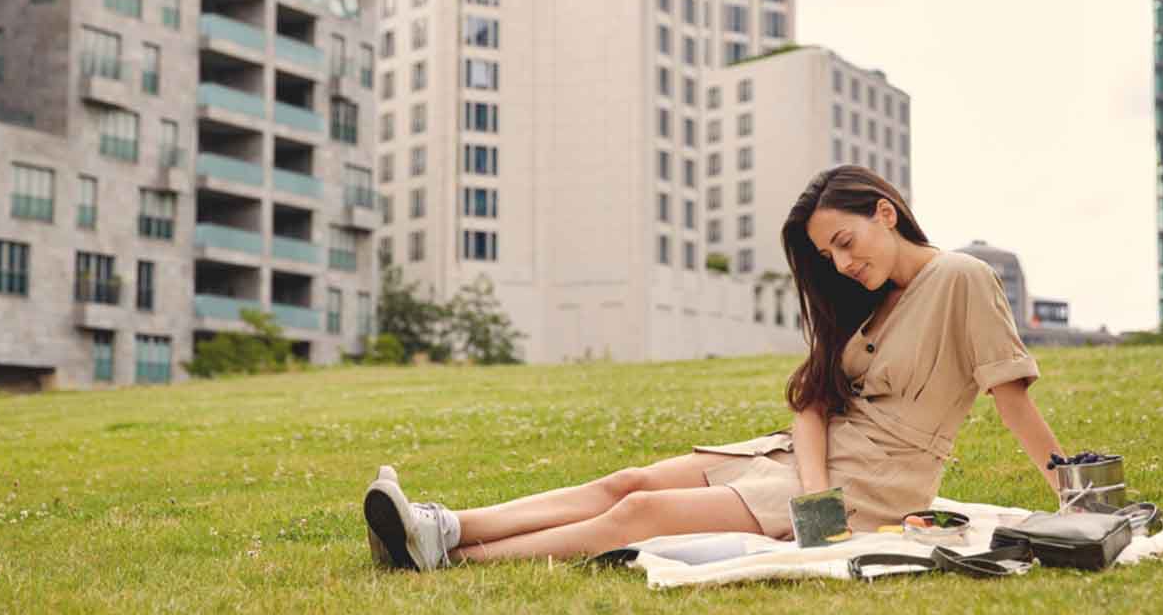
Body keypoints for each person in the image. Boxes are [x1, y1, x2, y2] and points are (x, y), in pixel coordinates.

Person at [363, 166, 1065, 571]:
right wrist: (811, 496)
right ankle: (444, 524)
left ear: (887, 212)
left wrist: (1077, 497)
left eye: (846, 243)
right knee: (626, 481)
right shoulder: (870, 305)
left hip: (877, 484)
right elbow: (812, 405)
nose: (844, 265)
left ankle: (446, 558)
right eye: (829, 257)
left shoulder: (961, 279)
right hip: (802, 463)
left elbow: (1012, 402)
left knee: (638, 512)